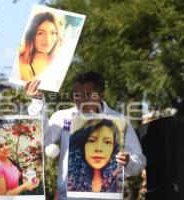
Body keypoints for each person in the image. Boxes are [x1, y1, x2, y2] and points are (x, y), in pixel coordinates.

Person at [25, 71, 147, 199]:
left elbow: (140, 159)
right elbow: (43, 139)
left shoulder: (120, 121)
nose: (81, 100)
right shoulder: (62, 117)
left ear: (101, 95)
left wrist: (128, 162)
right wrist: (37, 102)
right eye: (77, 95)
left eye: (87, 95)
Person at [68, 119, 123, 193]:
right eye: (91, 140)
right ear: (83, 145)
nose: (99, 148)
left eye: (107, 142)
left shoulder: (119, 181)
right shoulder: (69, 180)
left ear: (114, 148)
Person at [19, 12, 61, 81]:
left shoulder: (59, 59)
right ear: (31, 35)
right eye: (40, 33)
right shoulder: (22, 65)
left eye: (53, 33)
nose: (48, 40)